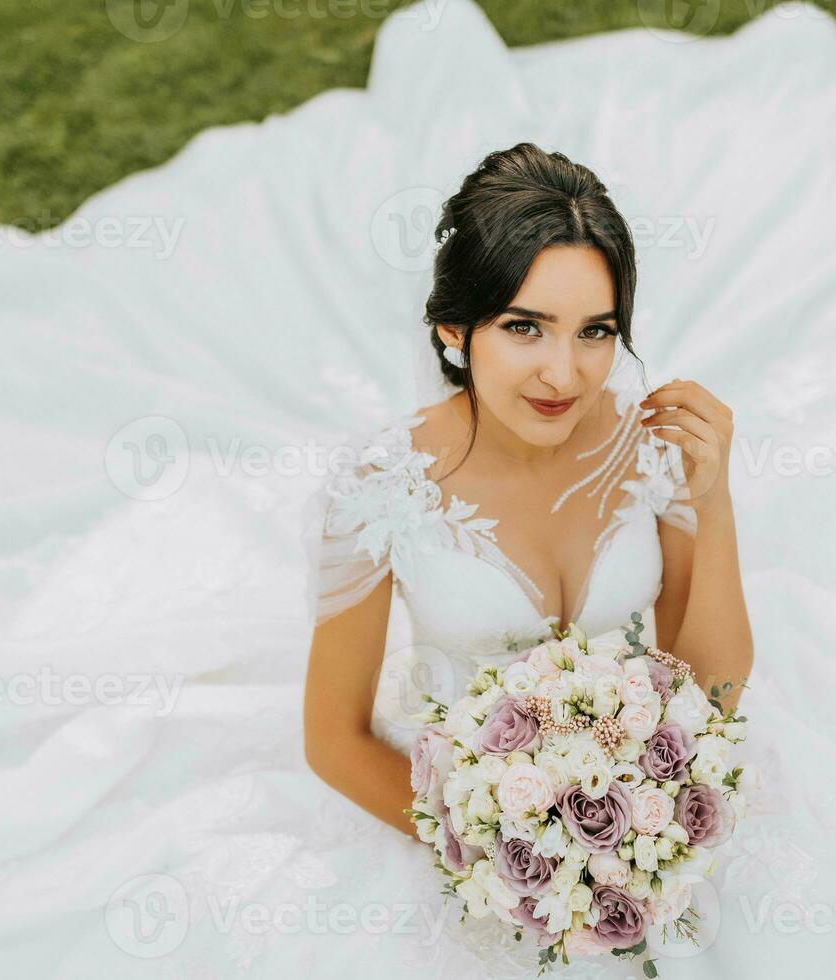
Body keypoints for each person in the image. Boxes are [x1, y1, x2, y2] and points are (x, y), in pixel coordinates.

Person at [296, 142, 753, 977]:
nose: (563, 373)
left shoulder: (651, 446)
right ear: (452, 329)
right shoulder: (379, 486)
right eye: (523, 327)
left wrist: (712, 499)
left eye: (596, 332)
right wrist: (506, 854)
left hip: (643, 815)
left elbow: (713, 692)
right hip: (461, 836)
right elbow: (333, 738)